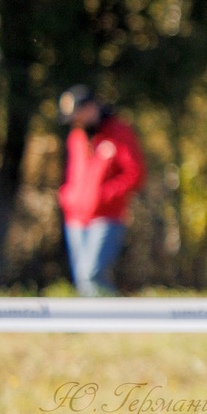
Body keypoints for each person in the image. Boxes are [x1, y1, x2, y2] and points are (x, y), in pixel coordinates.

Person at [55, 87, 144, 295]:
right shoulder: (76, 137)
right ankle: (89, 325)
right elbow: (72, 174)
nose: (75, 120)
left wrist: (103, 196)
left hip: (106, 217)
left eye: (77, 114)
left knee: (92, 273)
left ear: (90, 108)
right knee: (82, 279)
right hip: (76, 218)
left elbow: (135, 174)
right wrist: (69, 196)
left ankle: (114, 322)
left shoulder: (118, 133)